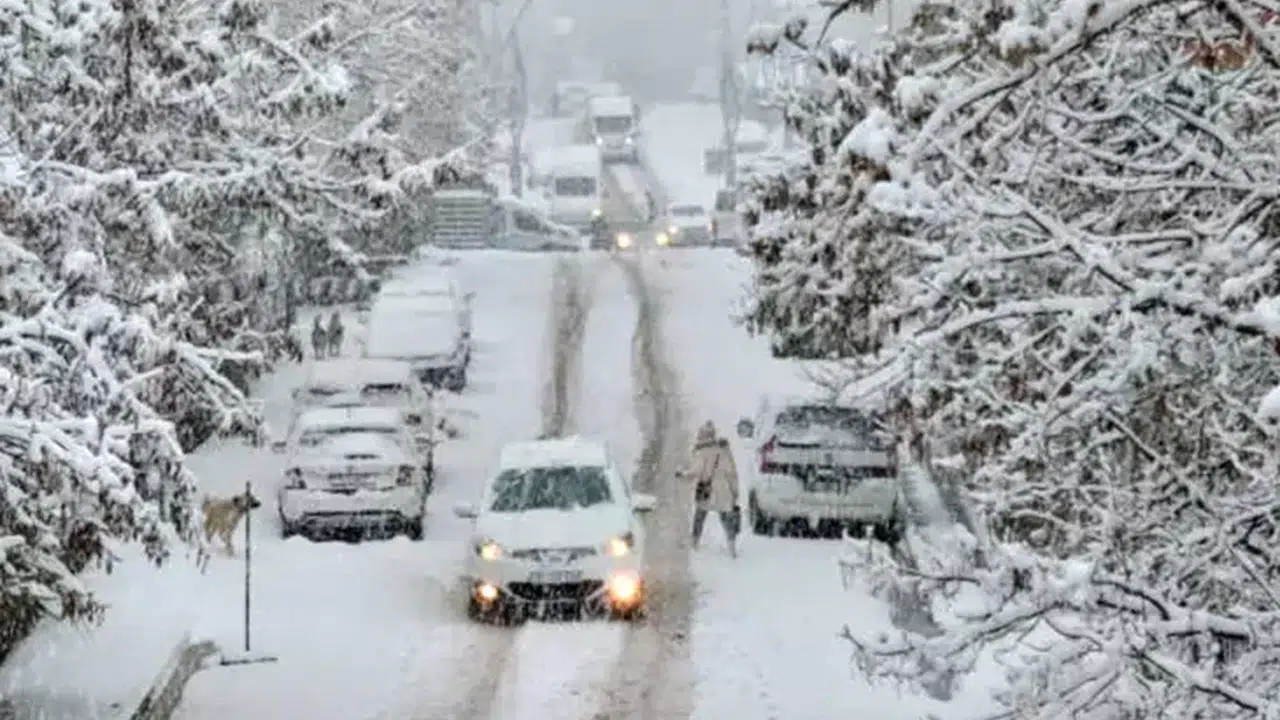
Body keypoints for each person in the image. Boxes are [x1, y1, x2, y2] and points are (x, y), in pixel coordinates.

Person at [687, 420, 742, 557]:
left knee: (700, 515)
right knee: (725, 518)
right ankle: (731, 546)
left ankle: (694, 541)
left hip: (708, 489)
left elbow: (697, 470)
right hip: (724, 491)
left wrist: (682, 474)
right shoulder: (724, 451)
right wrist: (735, 492)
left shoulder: (701, 452)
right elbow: (732, 473)